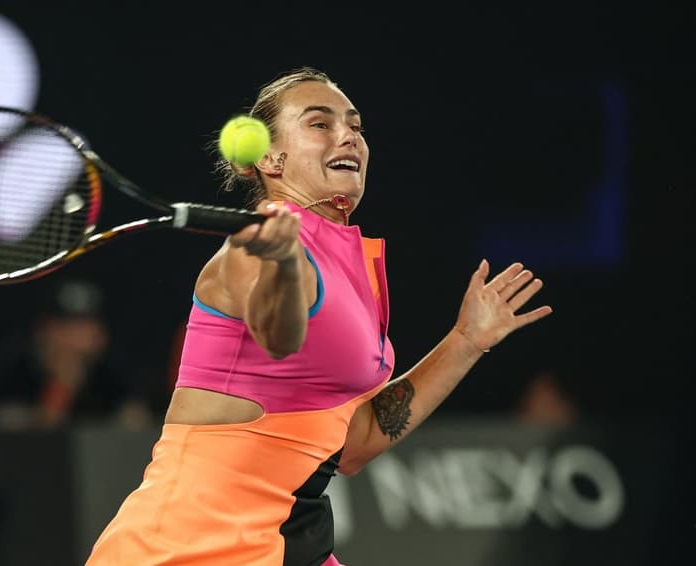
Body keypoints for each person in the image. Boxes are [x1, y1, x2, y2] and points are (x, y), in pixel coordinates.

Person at [85, 67, 553, 566]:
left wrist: (465, 340)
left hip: (283, 546)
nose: (348, 134)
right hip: (187, 549)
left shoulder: (350, 266)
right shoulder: (251, 251)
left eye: (355, 125)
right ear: (269, 156)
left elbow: (357, 441)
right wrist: (284, 266)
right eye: (319, 123)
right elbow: (279, 336)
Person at [0, 279, 155, 430]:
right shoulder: (9, 371)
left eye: (86, 326)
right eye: (67, 327)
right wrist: (59, 391)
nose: (79, 337)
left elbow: (134, 426)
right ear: (43, 331)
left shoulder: (112, 376)